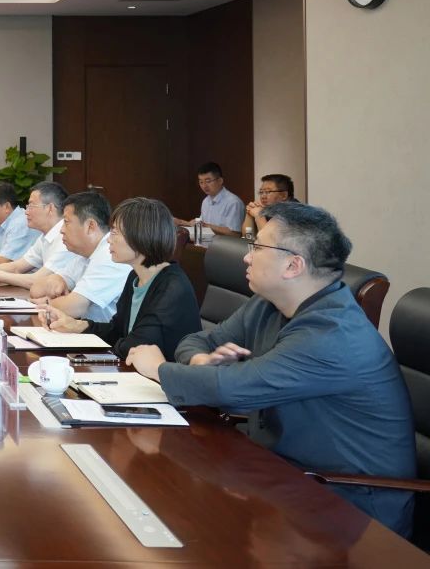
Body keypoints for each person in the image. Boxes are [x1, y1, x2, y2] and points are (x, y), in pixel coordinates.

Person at [127, 202, 415, 537]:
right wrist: (199, 361)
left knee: (184, 519)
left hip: (350, 505)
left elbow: (234, 389)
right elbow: (200, 340)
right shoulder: (269, 303)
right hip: (285, 472)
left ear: (293, 265)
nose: (246, 257)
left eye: (258, 247)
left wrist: (159, 369)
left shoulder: (332, 336)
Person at [40, 197, 200, 358]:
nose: (109, 239)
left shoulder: (172, 288)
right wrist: (76, 325)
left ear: (140, 236)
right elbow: (117, 330)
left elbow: (135, 346)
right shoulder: (135, 277)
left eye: (115, 232)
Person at [0, 181, 87, 296]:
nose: (26, 212)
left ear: (50, 208)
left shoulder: (66, 238)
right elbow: (17, 267)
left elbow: (36, 281)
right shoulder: (45, 236)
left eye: (31, 206)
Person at [39, 191, 133, 322]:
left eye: (66, 222)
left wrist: (44, 303)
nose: (61, 230)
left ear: (90, 226)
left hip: (104, 333)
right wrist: (55, 279)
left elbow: (74, 307)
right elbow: (36, 290)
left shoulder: (109, 255)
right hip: (85, 329)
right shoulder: (84, 254)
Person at [173, 162, 244, 236]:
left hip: (224, 243)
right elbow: (201, 225)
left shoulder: (233, 202)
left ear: (220, 181)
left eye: (208, 181)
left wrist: (206, 225)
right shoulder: (206, 201)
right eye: (201, 182)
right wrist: (182, 222)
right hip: (206, 242)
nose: (204, 186)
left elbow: (235, 234)